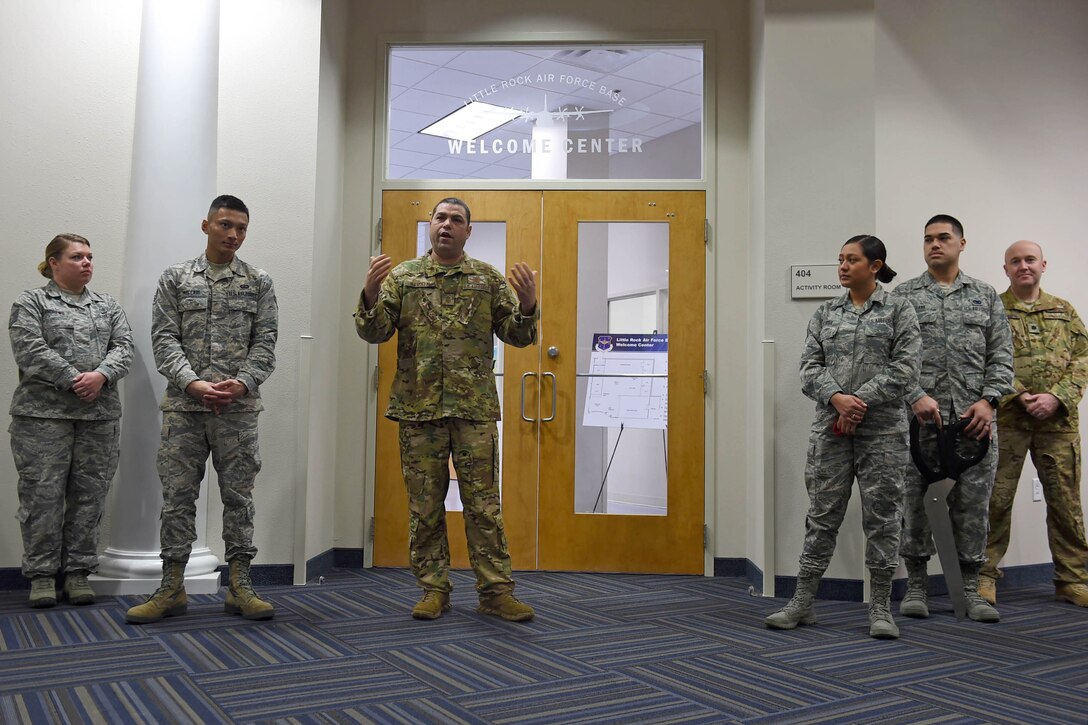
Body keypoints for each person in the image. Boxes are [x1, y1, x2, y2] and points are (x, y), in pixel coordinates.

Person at [355, 197, 538, 621]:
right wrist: (368, 293)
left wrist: (527, 305)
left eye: (457, 220)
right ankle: (433, 588)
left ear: (468, 232)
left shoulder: (487, 279)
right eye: (440, 218)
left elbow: (518, 337)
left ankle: (496, 592)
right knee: (425, 507)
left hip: (473, 411)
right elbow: (375, 332)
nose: (447, 225)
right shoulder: (404, 277)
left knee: (483, 506)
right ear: (430, 226)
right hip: (419, 412)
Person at [125, 195, 278, 624]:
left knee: (239, 498)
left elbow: (265, 343)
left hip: (238, 410)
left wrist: (242, 383)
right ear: (206, 225)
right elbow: (164, 339)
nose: (234, 235)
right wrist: (193, 383)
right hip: (184, 410)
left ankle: (240, 586)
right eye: (226, 225)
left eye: (242, 228)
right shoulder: (175, 278)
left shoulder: (259, 282)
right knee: (176, 499)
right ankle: (171, 587)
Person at [766, 235, 920, 639]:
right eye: (840, 260)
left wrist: (858, 403)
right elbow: (808, 367)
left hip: (882, 432)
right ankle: (802, 601)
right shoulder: (824, 313)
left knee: (884, 518)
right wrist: (838, 400)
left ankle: (881, 606)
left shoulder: (900, 309)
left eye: (852, 260)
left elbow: (906, 367)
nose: (843, 266)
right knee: (822, 516)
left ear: (875, 265)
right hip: (830, 430)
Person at [893, 214, 1014, 622]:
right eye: (928, 239)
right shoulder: (903, 296)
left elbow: (1001, 355)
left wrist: (989, 401)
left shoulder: (985, 295)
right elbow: (892, 356)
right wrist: (914, 395)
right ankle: (916, 585)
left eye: (944, 238)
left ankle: (971, 588)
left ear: (962, 244)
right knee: (914, 501)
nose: (934, 245)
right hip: (919, 422)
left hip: (972, 421)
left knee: (973, 504)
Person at [8, 234, 133, 608]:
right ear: (54, 262)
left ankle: (78, 573)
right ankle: (43, 575)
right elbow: (29, 349)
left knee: (89, 497)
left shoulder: (107, 305)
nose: (87, 263)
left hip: (98, 418)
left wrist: (102, 376)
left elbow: (125, 347)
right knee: (42, 496)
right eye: (77, 256)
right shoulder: (31, 302)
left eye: (90, 256)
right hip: (42, 417)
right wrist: (75, 379)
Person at [980, 241, 1088, 607]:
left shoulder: (1063, 310)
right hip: (1009, 420)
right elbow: (984, 357)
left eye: (1030, 260)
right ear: (1005, 268)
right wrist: (1019, 394)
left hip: (1058, 423)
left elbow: (1083, 357)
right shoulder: (993, 309)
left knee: (1065, 503)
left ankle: (1072, 579)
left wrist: (1057, 396)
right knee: (995, 499)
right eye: (1015, 261)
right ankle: (983, 576)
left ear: (1044, 264)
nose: (1023, 266)